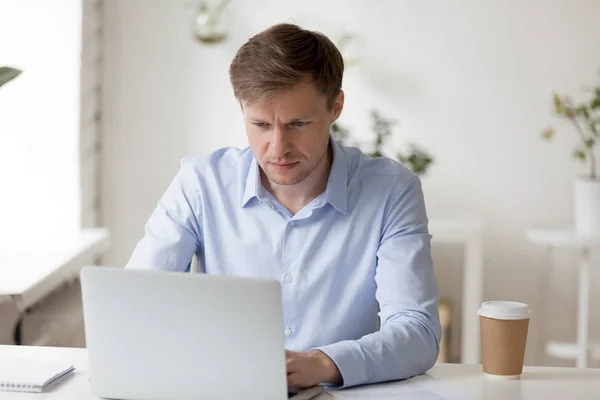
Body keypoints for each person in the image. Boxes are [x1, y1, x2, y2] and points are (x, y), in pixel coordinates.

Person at [125, 23, 441, 389]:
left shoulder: (391, 191)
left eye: (298, 124)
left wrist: (324, 363)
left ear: (336, 106)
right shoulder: (201, 183)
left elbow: (418, 333)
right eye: (260, 124)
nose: (278, 148)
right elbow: (137, 305)